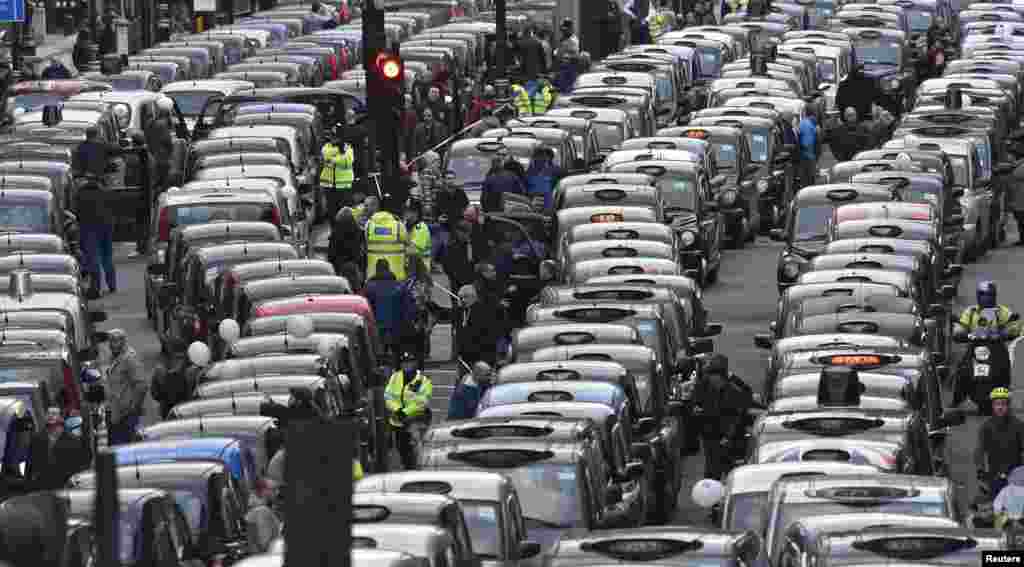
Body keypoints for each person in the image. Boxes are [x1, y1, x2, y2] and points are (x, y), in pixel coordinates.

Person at [695, 354, 753, 480]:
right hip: (712, 439)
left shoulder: (734, 391)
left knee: (732, 476)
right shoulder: (704, 387)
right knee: (712, 474)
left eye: (716, 376)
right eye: (711, 376)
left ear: (723, 376)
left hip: (731, 442)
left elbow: (739, 414)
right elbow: (697, 406)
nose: (713, 380)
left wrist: (728, 436)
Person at [385, 352, 434, 470]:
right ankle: (407, 468)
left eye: (410, 363)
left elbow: (422, 402)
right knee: (402, 448)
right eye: (404, 363)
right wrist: (397, 410)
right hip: (398, 421)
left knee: (417, 449)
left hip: (415, 421)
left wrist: (405, 412)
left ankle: (417, 470)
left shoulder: (423, 380)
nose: (407, 365)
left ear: (415, 364)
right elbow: (388, 396)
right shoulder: (395, 377)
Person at [73, 167, 115, 299]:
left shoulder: (80, 193)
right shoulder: (105, 192)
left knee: (93, 258)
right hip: (105, 227)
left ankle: (96, 286)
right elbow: (111, 210)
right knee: (107, 256)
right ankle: (112, 284)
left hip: (88, 228)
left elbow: (76, 212)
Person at [976, 388, 1024, 499]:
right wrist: (980, 470)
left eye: (1003, 404)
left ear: (1009, 405)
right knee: (995, 505)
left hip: (1015, 474)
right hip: (994, 474)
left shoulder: (1019, 426)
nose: (1000, 407)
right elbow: (979, 450)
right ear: (992, 406)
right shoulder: (986, 427)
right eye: (997, 404)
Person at [106, 329, 147, 445]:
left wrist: (134, 407)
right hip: (116, 414)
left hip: (126, 416)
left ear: (124, 342)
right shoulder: (114, 358)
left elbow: (142, 385)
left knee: (126, 448)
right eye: (111, 341)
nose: (113, 345)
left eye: (116, 341)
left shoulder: (129, 359)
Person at [32, 408, 90, 490]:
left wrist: (75, 478)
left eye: (54, 413)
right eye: (48, 413)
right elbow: (32, 462)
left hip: (65, 483)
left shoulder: (72, 439)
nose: (51, 416)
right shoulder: (37, 438)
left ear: (60, 417)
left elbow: (80, 462)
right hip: (43, 483)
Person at [365, 259, 405, 363]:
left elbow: (366, 308)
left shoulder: (369, 287)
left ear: (376, 270)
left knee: (378, 358)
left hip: (377, 326)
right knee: (397, 357)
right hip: (395, 327)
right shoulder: (398, 287)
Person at [400, 258, 435, 369]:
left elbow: (419, 299)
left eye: (407, 265)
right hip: (421, 313)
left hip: (415, 314)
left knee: (415, 342)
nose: (405, 267)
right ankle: (422, 358)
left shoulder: (413, 282)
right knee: (421, 340)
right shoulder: (424, 281)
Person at [365, 203, 408, 280]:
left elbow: (366, 240)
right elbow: (407, 243)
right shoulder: (399, 226)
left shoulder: (368, 224)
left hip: (372, 276)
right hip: (396, 276)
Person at [320, 126, 356, 218]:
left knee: (345, 212)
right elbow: (325, 154)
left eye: (336, 137)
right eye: (332, 136)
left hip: (344, 185)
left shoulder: (348, 147)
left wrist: (333, 159)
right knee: (332, 212)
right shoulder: (327, 147)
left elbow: (348, 160)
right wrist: (338, 151)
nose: (333, 139)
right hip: (329, 185)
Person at [245, 478, 282, 553]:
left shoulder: (257, 509)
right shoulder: (262, 511)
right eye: (274, 489)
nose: (277, 492)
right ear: (264, 491)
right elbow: (266, 544)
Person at [328, 207, 365, 280]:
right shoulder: (358, 231)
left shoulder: (336, 232)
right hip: (353, 265)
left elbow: (332, 252)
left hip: (340, 265)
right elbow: (360, 249)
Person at [525, 146, 565, 212]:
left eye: (543, 159)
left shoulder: (554, 171)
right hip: (533, 205)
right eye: (536, 159)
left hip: (546, 205)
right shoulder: (529, 172)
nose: (541, 162)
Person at [403, 198, 432, 272]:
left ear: (416, 212)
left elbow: (414, 251)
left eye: (408, 210)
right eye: (405, 209)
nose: (405, 212)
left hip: (420, 270)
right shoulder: (405, 225)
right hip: (408, 267)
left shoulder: (421, 227)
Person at [554, 18, 581, 92]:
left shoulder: (573, 40)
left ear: (570, 29)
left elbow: (575, 56)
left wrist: (565, 56)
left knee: (569, 91)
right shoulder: (563, 39)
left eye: (565, 29)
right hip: (561, 69)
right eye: (562, 30)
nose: (563, 31)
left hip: (570, 69)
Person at [797, 106, 818, 188]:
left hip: (806, 156)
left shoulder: (804, 123)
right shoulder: (809, 124)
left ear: (805, 113)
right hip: (809, 156)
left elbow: (806, 143)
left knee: (806, 181)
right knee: (809, 181)